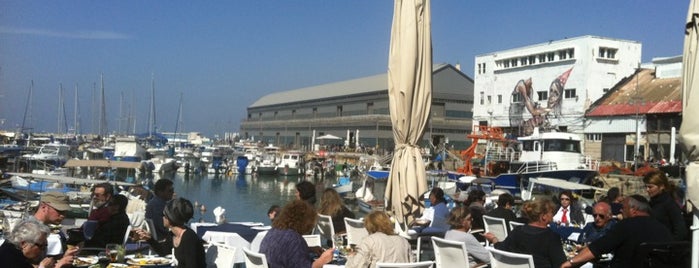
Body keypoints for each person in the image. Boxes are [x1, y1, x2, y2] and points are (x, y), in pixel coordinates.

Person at [561, 195, 674, 268]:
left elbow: (597, 248)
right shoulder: (663, 229)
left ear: (633, 210)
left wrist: (570, 263)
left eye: (623, 208)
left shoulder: (626, 225)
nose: (620, 210)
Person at [484, 198, 566, 268]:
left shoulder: (517, 231)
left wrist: (494, 239)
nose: (553, 215)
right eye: (551, 212)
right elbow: (561, 265)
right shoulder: (551, 237)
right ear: (543, 216)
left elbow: (501, 248)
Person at [259, 200, 334, 268]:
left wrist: (308, 249)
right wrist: (323, 260)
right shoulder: (294, 239)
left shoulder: (273, 231)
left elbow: (284, 252)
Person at [137, 198, 205, 268]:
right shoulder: (173, 234)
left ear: (170, 218)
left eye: (164, 215)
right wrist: (149, 239)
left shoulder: (189, 238)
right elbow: (163, 251)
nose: (162, 217)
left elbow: (192, 265)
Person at [345, 211, 413, 268]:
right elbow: (412, 263)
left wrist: (351, 256)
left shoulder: (370, 241)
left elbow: (356, 266)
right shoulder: (404, 241)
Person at [29, 191, 78, 267]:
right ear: (43, 207)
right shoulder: (31, 230)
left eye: (65, 212)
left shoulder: (40, 227)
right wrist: (59, 264)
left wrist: (64, 257)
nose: (63, 215)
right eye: (59, 211)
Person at [642, 170, 688, 241]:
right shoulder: (652, 202)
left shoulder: (669, 204)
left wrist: (670, 246)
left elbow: (680, 230)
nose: (647, 190)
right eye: (646, 187)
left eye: (650, 187)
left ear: (661, 187)